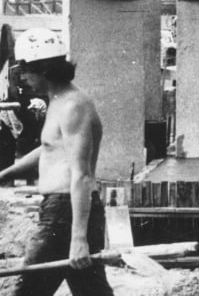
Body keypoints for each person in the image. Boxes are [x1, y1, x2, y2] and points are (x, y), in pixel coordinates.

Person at [0, 28, 113, 296]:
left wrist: (78, 239)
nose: (23, 78)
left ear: (46, 69)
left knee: (29, 290)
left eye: (26, 70)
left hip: (66, 212)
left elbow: (82, 174)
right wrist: (7, 172)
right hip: (66, 210)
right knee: (91, 291)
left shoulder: (73, 106)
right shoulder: (58, 102)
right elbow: (50, 150)